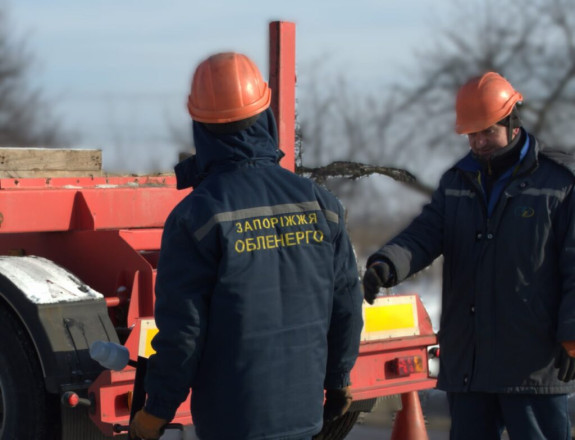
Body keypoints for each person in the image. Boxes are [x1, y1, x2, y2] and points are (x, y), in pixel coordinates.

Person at [129, 52, 363, 440]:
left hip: (232, 422)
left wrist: (156, 411)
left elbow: (184, 333)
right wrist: (338, 379)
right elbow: (347, 305)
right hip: (303, 417)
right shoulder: (322, 205)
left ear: (200, 126)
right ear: (264, 115)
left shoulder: (196, 217)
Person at [363, 71, 575, 440]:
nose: (478, 142)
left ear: (512, 123)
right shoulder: (458, 181)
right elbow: (425, 233)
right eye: (471, 135)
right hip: (470, 364)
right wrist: (388, 264)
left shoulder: (558, 184)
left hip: (532, 363)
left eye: (486, 132)